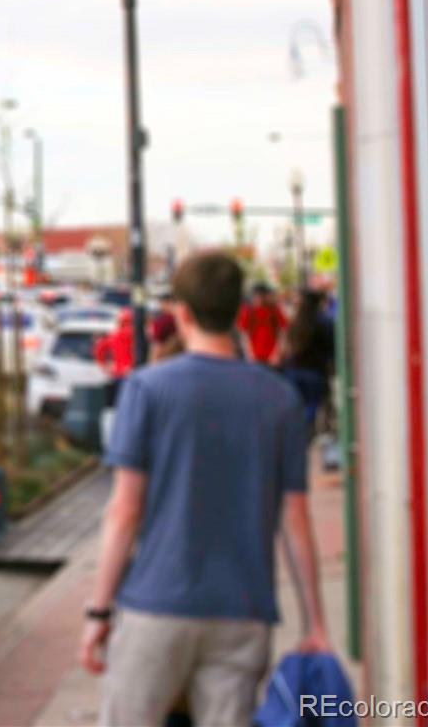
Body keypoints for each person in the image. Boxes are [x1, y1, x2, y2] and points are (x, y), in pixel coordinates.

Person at [81, 250, 330, 727]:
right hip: (242, 610)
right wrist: (313, 621)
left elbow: (123, 512)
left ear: (183, 313)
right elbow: (294, 517)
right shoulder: (278, 399)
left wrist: (98, 611)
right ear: (238, 311)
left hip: (156, 606)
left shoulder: (147, 390)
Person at [276, 290, 332, 434]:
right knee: (312, 407)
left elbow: (285, 348)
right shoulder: (324, 322)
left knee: (297, 405)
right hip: (315, 372)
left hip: (293, 371)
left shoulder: (294, 322)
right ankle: (306, 432)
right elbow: (331, 348)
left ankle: (297, 431)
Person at [237, 282, 286, 365]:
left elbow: (282, 332)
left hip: (272, 357)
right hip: (253, 356)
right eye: (256, 295)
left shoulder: (274, 310)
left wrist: (277, 353)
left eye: (261, 295)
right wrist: (249, 353)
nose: (258, 298)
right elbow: (244, 334)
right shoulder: (247, 311)